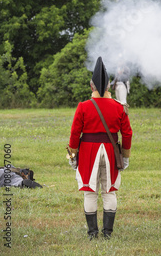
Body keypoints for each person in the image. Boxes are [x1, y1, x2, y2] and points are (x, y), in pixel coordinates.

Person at [68, 57, 133, 240]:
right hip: (111, 152)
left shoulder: (83, 107)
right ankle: (107, 234)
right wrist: (125, 156)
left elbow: (75, 134)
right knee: (109, 191)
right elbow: (127, 134)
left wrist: (73, 155)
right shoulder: (119, 107)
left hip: (88, 151)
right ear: (108, 88)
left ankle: (92, 234)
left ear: (91, 87)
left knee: (90, 192)